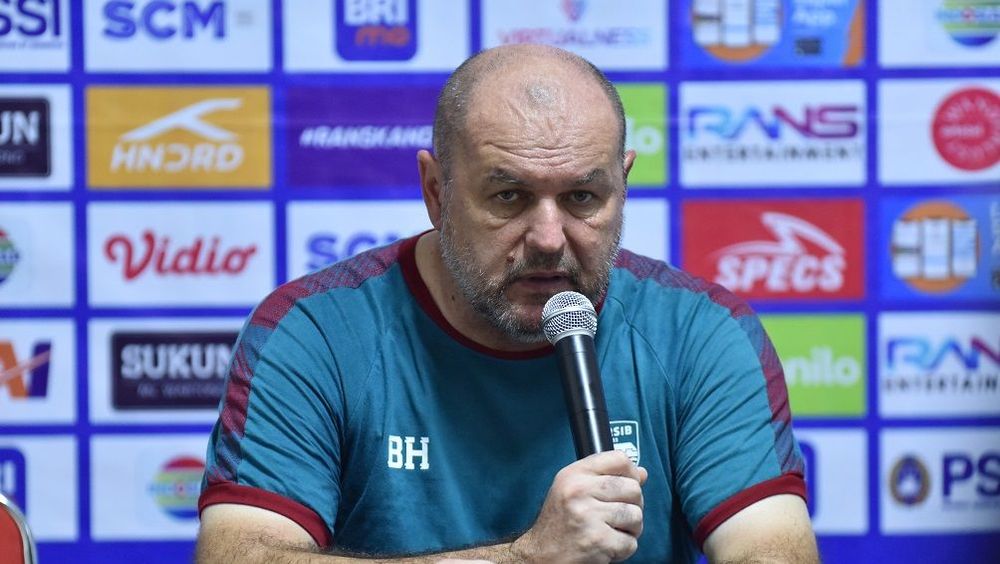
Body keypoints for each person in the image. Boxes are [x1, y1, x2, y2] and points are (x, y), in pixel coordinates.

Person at [195, 44, 818, 563]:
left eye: (582, 197)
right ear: (436, 192)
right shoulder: (316, 333)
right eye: (509, 197)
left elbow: (771, 551)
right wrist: (524, 559)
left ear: (623, 186)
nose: (549, 239)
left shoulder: (700, 333)